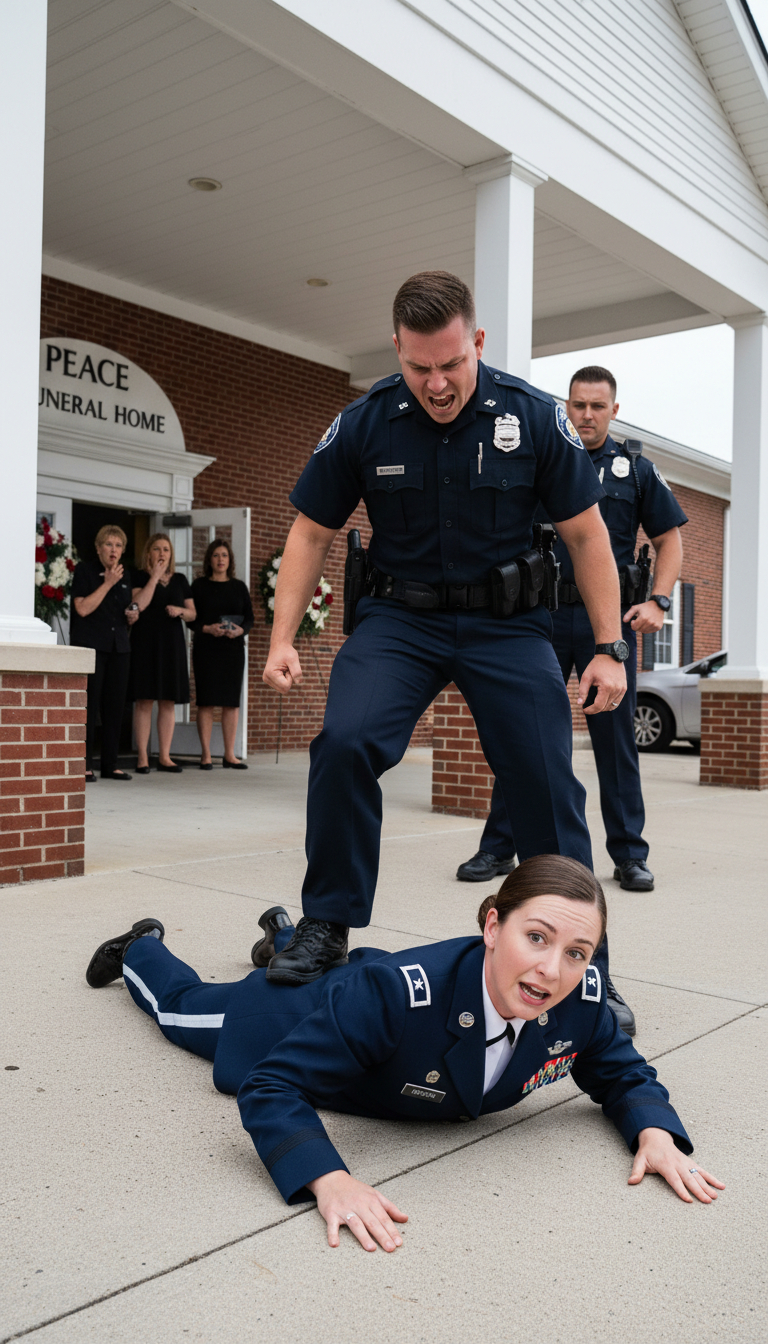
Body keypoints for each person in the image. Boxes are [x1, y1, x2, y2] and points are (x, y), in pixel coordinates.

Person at [262, 270, 634, 1032]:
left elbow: (587, 534)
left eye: (452, 363)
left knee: (545, 778)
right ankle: (327, 922)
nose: (436, 384)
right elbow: (310, 530)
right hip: (400, 620)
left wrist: (608, 647)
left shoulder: (533, 417)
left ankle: (582, 967)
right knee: (345, 741)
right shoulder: (366, 422)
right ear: (397, 348)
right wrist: (280, 638)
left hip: (508, 625)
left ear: (479, 343)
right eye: (419, 366)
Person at [85, 855, 724, 1253]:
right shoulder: (394, 997)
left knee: (341, 973)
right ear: (493, 925)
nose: (552, 970)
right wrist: (329, 1177)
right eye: (536, 937)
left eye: (577, 952)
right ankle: (141, 947)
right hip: (296, 1017)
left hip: (367, 989)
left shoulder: (580, 999)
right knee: (180, 1009)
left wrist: (654, 1133)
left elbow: (622, 1071)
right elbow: (272, 1085)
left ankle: (284, 935)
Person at [458, 367, 687, 900]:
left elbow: (669, 539)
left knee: (615, 739)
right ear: (566, 405)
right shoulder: (543, 455)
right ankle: (499, 846)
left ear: (614, 411)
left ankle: (629, 854)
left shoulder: (636, 471)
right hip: (539, 617)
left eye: (597, 406)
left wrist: (659, 600)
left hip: (606, 621)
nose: (586, 415)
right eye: (578, 404)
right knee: (523, 733)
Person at [71, 524, 138, 782]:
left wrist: (132, 615)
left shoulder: (126, 575)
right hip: (92, 647)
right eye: (109, 544)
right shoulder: (85, 571)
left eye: (118, 545)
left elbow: (124, 611)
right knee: (89, 706)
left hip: (119, 647)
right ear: (99, 548)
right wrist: (108, 583)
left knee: (115, 707)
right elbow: (82, 608)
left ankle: (110, 764)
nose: (113, 550)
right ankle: (85, 764)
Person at [130, 533, 195, 774]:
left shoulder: (180, 579)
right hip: (145, 642)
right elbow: (138, 604)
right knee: (144, 700)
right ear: (149, 553)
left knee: (168, 701)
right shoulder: (139, 576)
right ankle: (143, 757)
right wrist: (154, 577)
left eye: (166, 549)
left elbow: (193, 614)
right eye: (157, 549)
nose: (162, 553)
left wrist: (180, 611)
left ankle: (165, 757)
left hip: (172, 644)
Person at [190, 539, 254, 770]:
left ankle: (229, 755)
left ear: (230, 560)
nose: (220, 559)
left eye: (224, 555)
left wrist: (240, 630)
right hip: (206, 650)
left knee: (231, 703)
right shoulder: (198, 586)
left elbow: (249, 618)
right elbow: (191, 620)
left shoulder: (239, 587)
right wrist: (207, 628)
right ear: (209, 559)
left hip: (232, 651)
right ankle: (206, 755)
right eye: (216, 555)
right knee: (206, 702)